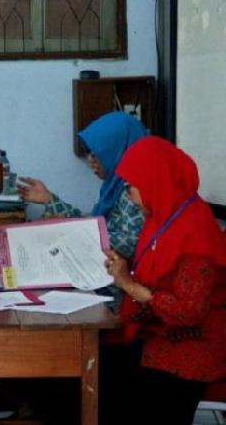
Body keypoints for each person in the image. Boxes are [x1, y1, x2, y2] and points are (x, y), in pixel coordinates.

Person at [101, 137, 226, 425]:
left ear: (155, 182)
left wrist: (128, 284)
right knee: (95, 366)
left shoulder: (195, 235)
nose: (129, 195)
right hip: (159, 331)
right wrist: (124, 269)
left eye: (131, 186)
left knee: (105, 385)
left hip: (193, 346)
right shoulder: (164, 218)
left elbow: (188, 312)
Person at [17, 112, 147, 308]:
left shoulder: (135, 191)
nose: (90, 160)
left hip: (122, 294)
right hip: (102, 282)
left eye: (98, 153)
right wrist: (49, 200)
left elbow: (130, 243)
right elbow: (95, 225)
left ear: (117, 150)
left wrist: (69, 230)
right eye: (88, 152)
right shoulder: (113, 187)